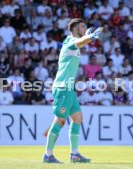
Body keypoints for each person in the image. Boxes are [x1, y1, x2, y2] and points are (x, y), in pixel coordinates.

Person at [43, 18, 103, 163]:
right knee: (60, 121)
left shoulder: (75, 43)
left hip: (69, 88)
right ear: (76, 28)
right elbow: (80, 42)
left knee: (77, 119)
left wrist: (86, 37)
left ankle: (74, 154)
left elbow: (81, 42)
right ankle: (48, 155)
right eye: (83, 26)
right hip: (63, 87)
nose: (85, 28)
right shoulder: (70, 42)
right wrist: (90, 37)